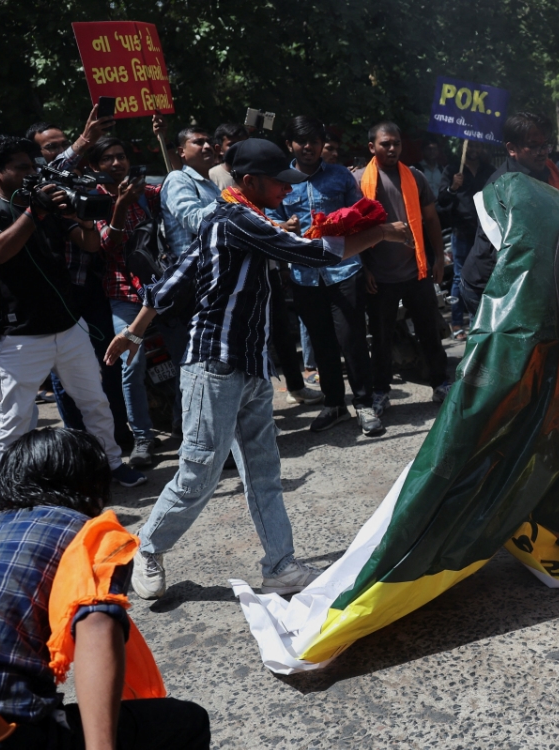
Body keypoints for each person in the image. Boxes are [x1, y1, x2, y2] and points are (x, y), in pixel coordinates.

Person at [104, 138, 410, 600]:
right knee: (198, 473)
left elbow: (178, 276)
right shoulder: (236, 218)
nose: (286, 191)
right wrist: (383, 234)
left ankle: (280, 565)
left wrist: (135, 332)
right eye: (278, 184)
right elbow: (317, 255)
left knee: (263, 471)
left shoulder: (230, 219)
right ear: (250, 183)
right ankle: (145, 548)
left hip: (250, 367)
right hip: (214, 366)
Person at [0, 428, 211, 750]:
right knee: (185, 722)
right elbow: (96, 621)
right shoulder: (90, 534)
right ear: (91, 484)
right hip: (10, 729)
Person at [0, 135, 146, 488]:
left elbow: (91, 245)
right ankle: (7, 487)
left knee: (95, 401)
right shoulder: (9, 209)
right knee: (16, 418)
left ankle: (111, 464)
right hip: (20, 335)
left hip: (68, 325)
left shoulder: (43, 203)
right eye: (21, 168)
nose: (30, 173)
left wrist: (84, 218)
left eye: (33, 167)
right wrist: (35, 212)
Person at [267, 115, 379, 435]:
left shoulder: (341, 175)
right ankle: (334, 404)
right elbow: (272, 225)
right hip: (304, 277)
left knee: (353, 339)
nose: (308, 147)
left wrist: (350, 234)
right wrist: (286, 231)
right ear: (290, 144)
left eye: (314, 141)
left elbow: (361, 219)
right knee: (321, 343)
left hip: (344, 271)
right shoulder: (280, 181)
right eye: (301, 141)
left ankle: (364, 404)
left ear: (321, 144)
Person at [354, 122, 451, 405]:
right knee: (381, 338)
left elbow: (431, 219)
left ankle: (440, 383)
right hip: (380, 276)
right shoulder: (359, 180)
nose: (393, 148)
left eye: (396, 143)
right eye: (386, 144)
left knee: (429, 331)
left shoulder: (415, 176)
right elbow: (353, 228)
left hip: (416, 269)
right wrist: (365, 267)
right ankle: (381, 391)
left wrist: (438, 259)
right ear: (372, 147)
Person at [90, 136, 166, 467]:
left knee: (187, 355)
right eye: (108, 159)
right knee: (130, 363)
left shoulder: (148, 194)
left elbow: (176, 189)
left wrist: (162, 139)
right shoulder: (94, 201)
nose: (117, 163)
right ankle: (143, 438)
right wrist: (119, 205)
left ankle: (190, 426)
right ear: (95, 166)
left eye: (120, 156)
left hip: (162, 291)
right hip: (123, 293)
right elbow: (107, 246)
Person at [457, 112, 559, 318]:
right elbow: (515, 251)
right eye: (533, 146)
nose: (542, 152)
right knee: (503, 348)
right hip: (488, 286)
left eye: (545, 145)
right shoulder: (503, 187)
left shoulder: (544, 173)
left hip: (520, 280)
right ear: (512, 149)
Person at [158, 126, 220, 396]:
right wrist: (232, 197)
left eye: (209, 142)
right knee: (196, 364)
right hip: (191, 283)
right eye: (199, 142)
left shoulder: (211, 184)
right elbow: (195, 221)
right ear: (182, 152)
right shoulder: (177, 180)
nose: (207, 146)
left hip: (214, 279)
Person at [437, 141, 495, 340]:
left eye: (478, 146)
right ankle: (456, 323)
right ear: (463, 147)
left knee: (485, 276)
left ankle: (478, 323)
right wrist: (453, 187)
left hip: (486, 232)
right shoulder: (453, 170)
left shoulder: (489, 170)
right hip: (461, 231)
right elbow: (441, 201)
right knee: (459, 276)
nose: (474, 150)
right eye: (470, 146)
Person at [26, 104, 114, 171]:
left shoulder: (83, 175)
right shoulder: (34, 182)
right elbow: (52, 171)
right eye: (52, 147)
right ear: (35, 154)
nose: (62, 151)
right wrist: (84, 140)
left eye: (65, 144)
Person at [207, 123, 249, 190]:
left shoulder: (254, 176)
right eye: (232, 144)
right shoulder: (211, 176)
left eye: (243, 144)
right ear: (219, 149)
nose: (239, 148)